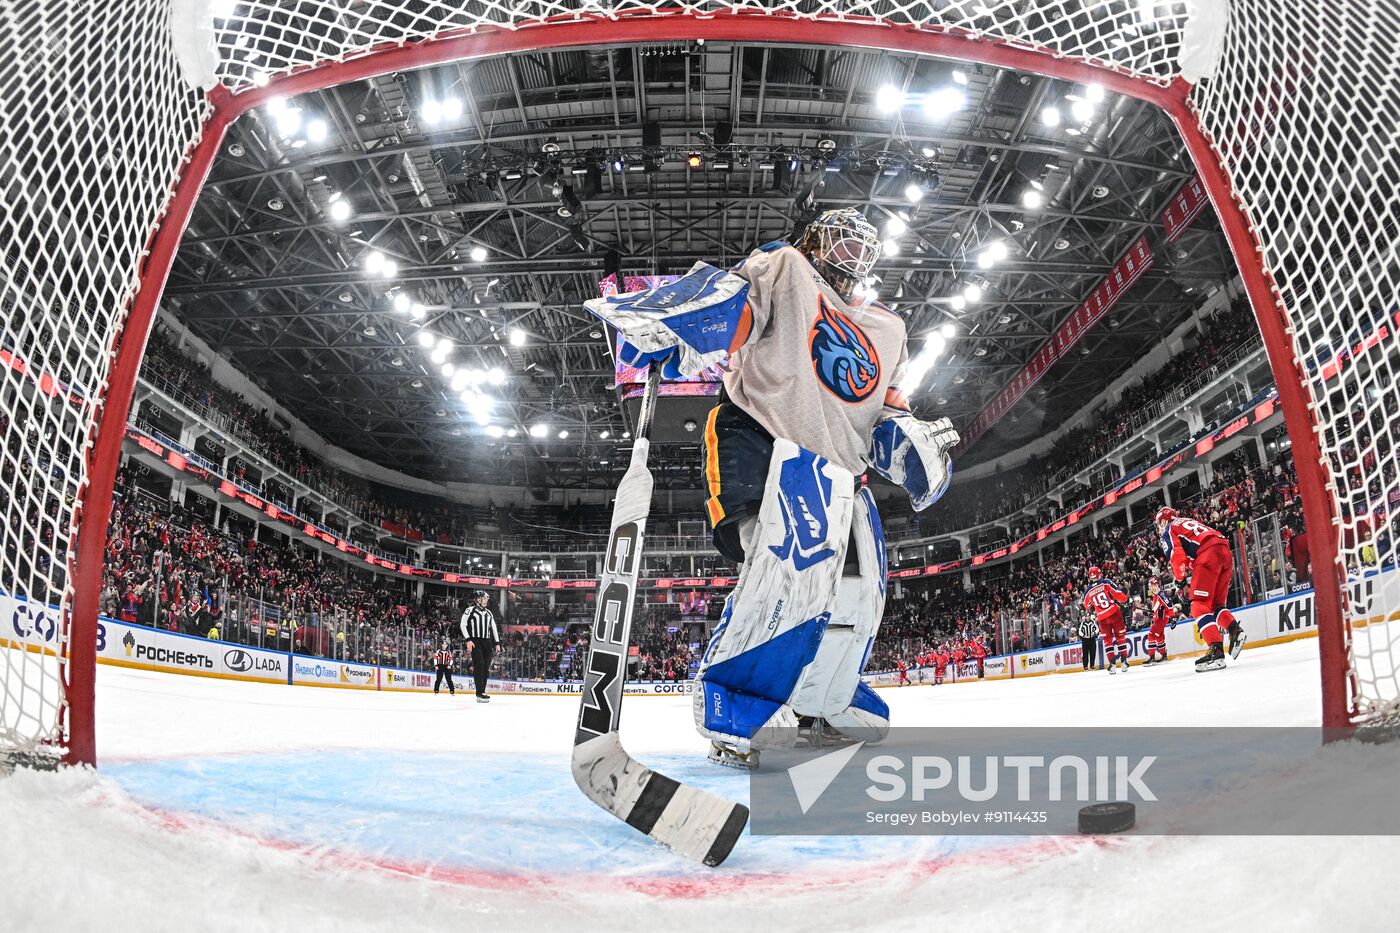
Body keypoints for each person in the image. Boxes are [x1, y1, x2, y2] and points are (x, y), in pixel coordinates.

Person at [586, 208, 959, 768]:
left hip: (846, 474)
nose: (852, 252)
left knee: (862, 593)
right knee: (787, 576)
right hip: (767, 440)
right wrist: (676, 325)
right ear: (815, 239)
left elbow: (884, 409)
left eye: (863, 244)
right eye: (841, 238)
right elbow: (733, 314)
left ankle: (824, 699)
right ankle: (739, 700)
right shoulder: (786, 267)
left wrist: (913, 443)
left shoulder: (889, 329)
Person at [1155, 506, 1245, 672]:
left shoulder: (1169, 529)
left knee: (1198, 606)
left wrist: (1180, 581)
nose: (1159, 527)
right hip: (1224, 549)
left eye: (1159, 523)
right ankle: (1234, 630)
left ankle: (1216, 651)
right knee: (1215, 605)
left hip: (1208, 553)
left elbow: (1177, 558)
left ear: (1163, 520)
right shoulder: (1189, 521)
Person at [1081, 565, 1131, 673]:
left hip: (1102, 618)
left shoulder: (1088, 591)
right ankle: (1123, 663)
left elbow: (1086, 605)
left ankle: (1112, 665)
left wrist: (1094, 605)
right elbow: (1117, 594)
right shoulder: (1106, 582)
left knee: (1108, 641)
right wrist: (1126, 600)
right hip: (1114, 613)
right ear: (1099, 574)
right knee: (1120, 637)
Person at [460, 590, 500, 702]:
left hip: (487, 642)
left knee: (486, 668)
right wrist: (468, 640)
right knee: (480, 665)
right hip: (475, 641)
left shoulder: (488, 613)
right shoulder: (470, 610)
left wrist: (497, 643)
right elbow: (463, 625)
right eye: (484, 598)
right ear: (478, 599)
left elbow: (494, 628)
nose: (486, 600)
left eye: (486, 598)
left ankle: (482, 691)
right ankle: (479, 692)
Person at [1142, 576, 1176, 665]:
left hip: (1161, 620)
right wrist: (1150, 613)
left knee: (1151, 635)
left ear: (1156, 585)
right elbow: (1156, 609)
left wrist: (1173, 618)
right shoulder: (1156, 596)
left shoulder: (1161, 595)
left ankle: (1152, 657)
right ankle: (1163, 655)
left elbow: (1169, 607)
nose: (1151, 587)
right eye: (1150, 586)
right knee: (1159, 637)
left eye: (1153, 585)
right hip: (1159, 619)